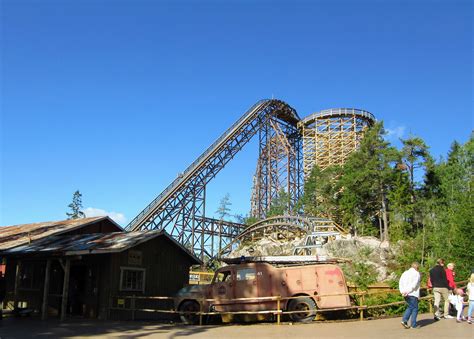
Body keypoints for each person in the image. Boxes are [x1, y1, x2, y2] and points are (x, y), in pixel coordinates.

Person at [399, 262, 421, 329]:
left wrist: (402, 291)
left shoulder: (405, 273)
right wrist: (408, 291)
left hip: (405, 293)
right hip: (412, 293)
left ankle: (405, 321)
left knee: (410, 307)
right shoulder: (416, 274)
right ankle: (412, 324)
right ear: (417, 267)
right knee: (415, 309)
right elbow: (414, 285)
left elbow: (400, 282)